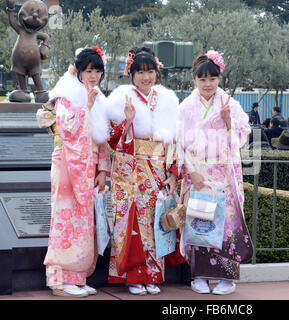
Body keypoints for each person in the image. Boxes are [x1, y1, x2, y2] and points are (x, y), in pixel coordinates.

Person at [105, 46, 185, 295]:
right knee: (130, 221)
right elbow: (111, 139)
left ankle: (152, 275)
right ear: (132, 74)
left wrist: (173, 173)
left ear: (156, 73)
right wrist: (128, 121)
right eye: (140, 72)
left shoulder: (168, 100)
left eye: (149, 71)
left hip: (157, 168)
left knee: (154, 221)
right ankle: (131, 275)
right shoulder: (120, 98)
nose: (145, 77)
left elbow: (175, 140)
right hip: (129, 171)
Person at [177, 50, 253, 295]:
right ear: (195, 80)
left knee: (226, 225)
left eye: (212, 79)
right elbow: (178, 142)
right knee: (200, 222)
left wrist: (228, 120)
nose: (207, 84)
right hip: (198, 173)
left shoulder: (229, 104)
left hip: (223, 173)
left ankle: (227, 277)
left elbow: (243, 135)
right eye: (202, 79)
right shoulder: (186, 107)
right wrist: (191, 171)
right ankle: (198, 275)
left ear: (219, 79)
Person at [43, 47, 111, 297]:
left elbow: (101, 137)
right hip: (67, 163)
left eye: (97, 71)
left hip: (88, 163)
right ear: (79, 72)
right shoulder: (67, 94)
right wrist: (87, 108)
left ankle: (78, 276)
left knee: (84, 222)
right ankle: (60, 279)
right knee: (65, 218)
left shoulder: (98, 96)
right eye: (88, 71)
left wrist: (102, 169)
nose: (93, 76)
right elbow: (66, 127)